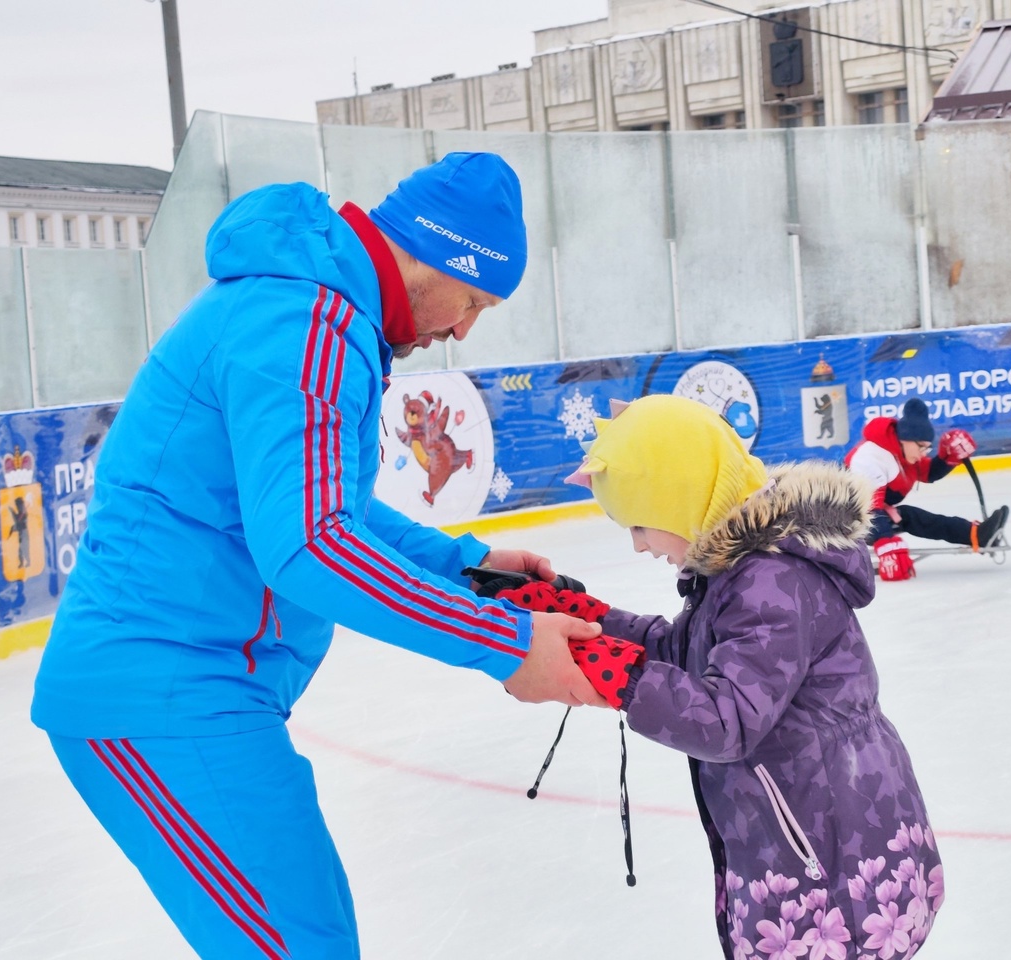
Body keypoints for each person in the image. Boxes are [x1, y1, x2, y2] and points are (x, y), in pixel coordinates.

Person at [30, 153, 605, 959]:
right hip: (160, 691)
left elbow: (319, 503)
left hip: (206, 686)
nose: (464, 329)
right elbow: (306, 545)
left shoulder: (314, 310)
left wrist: (463, 564)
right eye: (471, 299)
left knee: (313, 938)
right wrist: (506, 647)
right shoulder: (307, 322)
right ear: (428, 255)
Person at [491, 395, 944, 960]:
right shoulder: (742, 572)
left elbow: (725, 722)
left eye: (639, 523)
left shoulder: (772, 581)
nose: (637, 544)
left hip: (831, 861)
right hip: (805, 834)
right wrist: (589, 618)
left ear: (680, 502)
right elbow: (683, 648)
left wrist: (617, 673)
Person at [846, 397, 1009, 581]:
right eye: (921, 447)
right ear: (905, 439)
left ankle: (977, 535)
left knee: (913, 517)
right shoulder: (871, 456)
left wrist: (949, 458)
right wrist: (886, 543)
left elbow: (928, 472)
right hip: (842, 518)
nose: (924, 453)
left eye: (927, 448)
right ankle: (975, 535)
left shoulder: (904, 452)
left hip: (872, 511)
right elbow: (868, 508)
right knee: (908, 517)